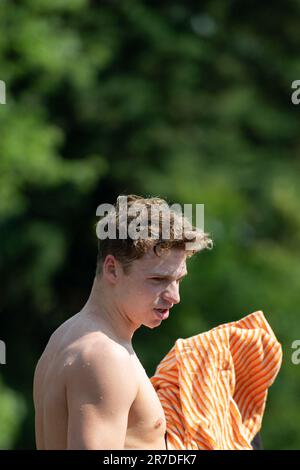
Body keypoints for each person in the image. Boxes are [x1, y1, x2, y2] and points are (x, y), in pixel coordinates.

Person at [33, 195, 212, 450]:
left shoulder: (65, 337)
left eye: (178, 280)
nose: (175, 297)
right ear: (112, 269)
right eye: (158, 280)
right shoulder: (105, 357)